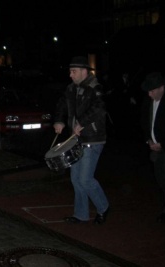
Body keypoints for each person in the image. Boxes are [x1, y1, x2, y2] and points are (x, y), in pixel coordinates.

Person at [53, 56, 110, 225]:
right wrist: (59, 120)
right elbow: (61, 105)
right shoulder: (71, 89)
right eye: (70, 71)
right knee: (76, 179)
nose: (70, 75)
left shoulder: (95, 88)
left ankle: (103, 207)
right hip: (76, 140)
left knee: (85, 179)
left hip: (93, 139)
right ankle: (81, 214)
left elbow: (99, 108)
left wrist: (82, 123)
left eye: (74, 71)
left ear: (84, 72)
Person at [140, 72, 165, 223]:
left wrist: (163, 144)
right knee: (161, 179)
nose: (149, 94)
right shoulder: (149, 101)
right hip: (155, 148)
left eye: (152, 90)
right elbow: (145, 123)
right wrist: (148, 140)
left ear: (161, 88)